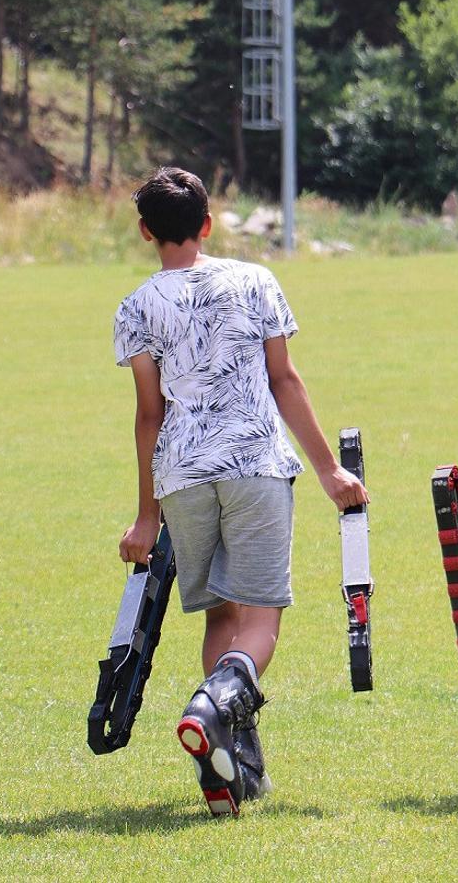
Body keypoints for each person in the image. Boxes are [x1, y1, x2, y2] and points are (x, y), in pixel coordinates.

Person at [114, 166, 367, 815]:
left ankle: (230, 771)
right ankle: (212, 708)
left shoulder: (137, 306)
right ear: (208, 223)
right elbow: (284, 380)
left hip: (182, 480)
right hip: (254, 465)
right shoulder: (255, 281)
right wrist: (329, 472)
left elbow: (150, 415)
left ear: (145, 231)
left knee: (221, 617)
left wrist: (146, 517)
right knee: (259, 621)